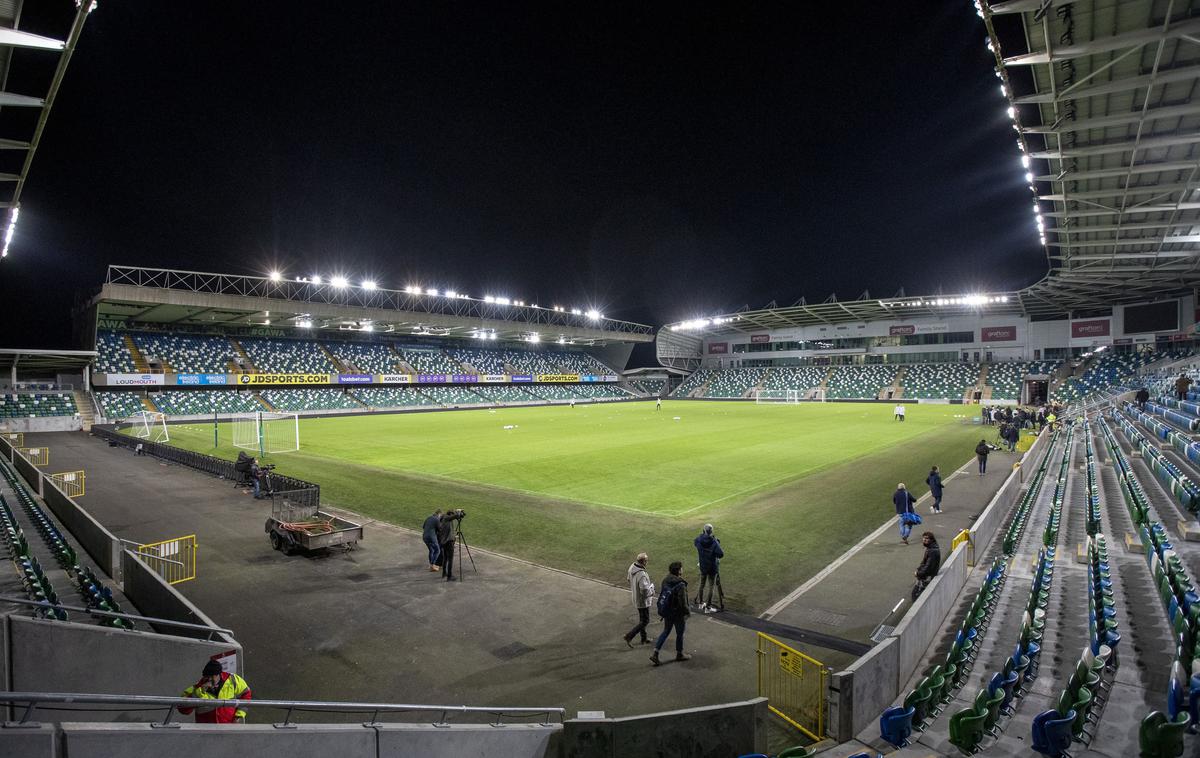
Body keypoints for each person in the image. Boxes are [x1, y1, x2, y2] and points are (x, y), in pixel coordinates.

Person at [179, 660, 252, 724]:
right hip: (206, 732)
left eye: (212, 676)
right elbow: (183, 710)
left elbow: (246, 694)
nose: (209, 679)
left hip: (228, 728)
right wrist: (199, 693)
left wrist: (238, 715)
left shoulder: (233, 680)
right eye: (207, 676)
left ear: (218, 674)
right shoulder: (196, 688)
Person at [650, 561, 691, 666]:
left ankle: (655, 653)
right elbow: (683, 602)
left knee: (666, 631)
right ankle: (679, 654)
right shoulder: (681, 584)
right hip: (678, 613)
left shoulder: (665, 580)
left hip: (667, 611)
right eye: (681, 568)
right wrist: (688, 612)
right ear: (678, 570)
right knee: (680, 634)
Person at [623, 552, 655, 647]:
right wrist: (651, 591)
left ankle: (643, 638)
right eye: (646, 560)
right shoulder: (641, 575)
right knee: (645, 621)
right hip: (642, 601)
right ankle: (629, 635)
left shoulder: (632, 567)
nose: (647, 562)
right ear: (644, 562)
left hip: (635, 597)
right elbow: (644, 591)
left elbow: (629, 579)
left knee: (642, 619)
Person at [693, 523, 725, 611]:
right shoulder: (714, 541)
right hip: (712, 567)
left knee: (702, 584)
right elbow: (721, 554)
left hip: (703, 565)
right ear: (711, 531)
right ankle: (708, 605)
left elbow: (695, 542)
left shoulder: (699, 540)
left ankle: (700, 602)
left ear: (704, 531)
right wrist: (716, 543)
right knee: (711, 586)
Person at [436, 509, 465, 581]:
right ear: (450, 514)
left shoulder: (444, 520)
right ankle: (449, 576)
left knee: (445, 558)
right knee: (450, 559)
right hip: (448, 542)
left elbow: (449, 532)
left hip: (445, 542)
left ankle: (444, 573)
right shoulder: (446, 518)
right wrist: (458, 512)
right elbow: (455, 516)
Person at [912, 532, 941, 601]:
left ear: (931, 540)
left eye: (926, 538)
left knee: (916, 595)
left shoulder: (932, 551)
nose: (924, 540)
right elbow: (924, 562)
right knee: (916, 593)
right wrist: (918, 569)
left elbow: (928, 566)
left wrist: (919, 573)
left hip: (927, 576)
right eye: (923, 538)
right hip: (926, 574)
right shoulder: (931, 548)